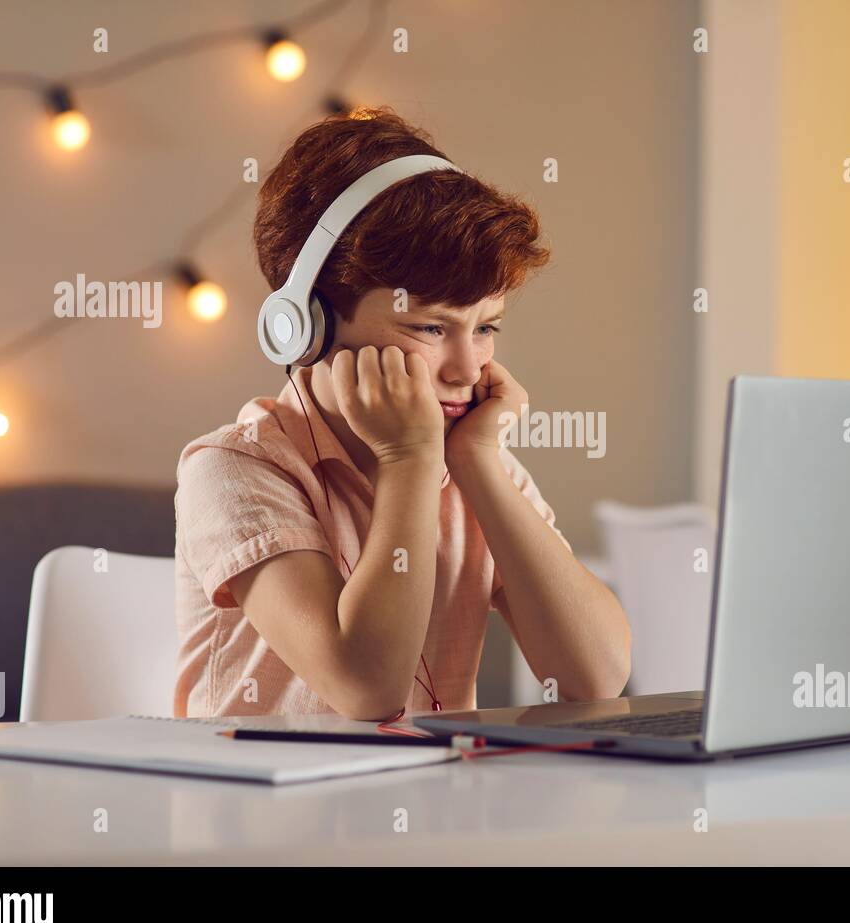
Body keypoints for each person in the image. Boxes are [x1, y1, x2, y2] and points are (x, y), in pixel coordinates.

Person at [173, 107, 630, 720]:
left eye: (486, 327)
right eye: (431, 327)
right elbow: (369, 691)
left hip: (431, 809)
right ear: (307, 328)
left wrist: (480, 467)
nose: (467, 369)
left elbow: (595, 678)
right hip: (268, 810)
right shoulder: (235, 470)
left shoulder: (474, 462)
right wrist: (409, 459)